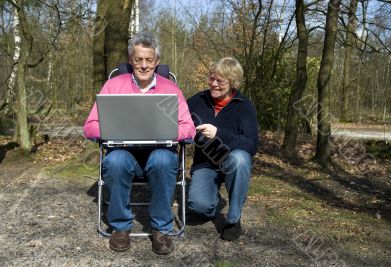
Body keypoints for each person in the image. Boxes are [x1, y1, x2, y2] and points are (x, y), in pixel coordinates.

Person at [83, 32, 195, 255]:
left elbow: (189, 128)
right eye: (138, 59)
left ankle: (161, 228)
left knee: (164, 159)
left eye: (149, 60)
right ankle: (120, 227)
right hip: (124, 152)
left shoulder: (171, 90)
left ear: (157, 61)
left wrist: (168, 131)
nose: (144, 65)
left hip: (160, 151)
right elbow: (90, 126)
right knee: (114, 161)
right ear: (130, 60)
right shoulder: (114, 86)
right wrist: (112, 129)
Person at [187, 57, 259, 241]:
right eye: (211, 78)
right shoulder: (197, 100)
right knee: (199, 207)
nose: (214, 84)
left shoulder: (244, 106)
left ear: (232, 82)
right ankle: (214, 199)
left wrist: (219, 133)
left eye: (220, 81)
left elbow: (251, 144)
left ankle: (234, 219)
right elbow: (178, 120)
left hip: (231, 160)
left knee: (241, 159)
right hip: (205, 163)